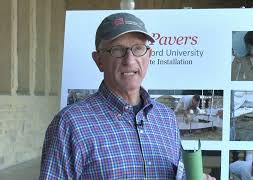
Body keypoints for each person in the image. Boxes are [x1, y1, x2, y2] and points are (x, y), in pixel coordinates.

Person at [40, 13, 185, 179]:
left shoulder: (166, 118)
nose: (129, 60)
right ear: (99, 60)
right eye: (117, 50)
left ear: (149, 56)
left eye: (138, 48)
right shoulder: (69, 124)